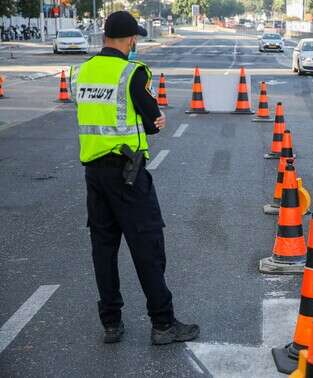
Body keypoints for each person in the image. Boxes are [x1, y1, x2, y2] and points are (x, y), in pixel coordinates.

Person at [69, 11, 199, 345]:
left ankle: (111, 323)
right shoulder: (132, 72)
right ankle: (163, 323)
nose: (135, 44)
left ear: (104, 38)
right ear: (129, 40)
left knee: (104, 249)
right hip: (127, 174)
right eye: (134, 39)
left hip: (94, 174)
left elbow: (93, 112)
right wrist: (156, 119)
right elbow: (152, 117)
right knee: (147, 245)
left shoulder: (81, 72)